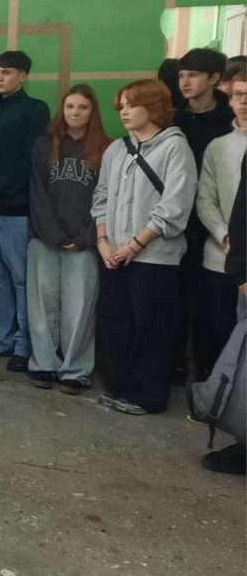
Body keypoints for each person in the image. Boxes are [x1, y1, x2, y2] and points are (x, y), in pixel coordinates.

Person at [92, 79, 197, 415]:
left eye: (131, 105)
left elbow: (175, 206)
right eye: (121, 106)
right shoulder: (116, 149)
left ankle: (147, 396)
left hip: (155, 257)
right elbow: (101, 197)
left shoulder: (175, 147)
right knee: (115, 321)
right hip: (114, 253)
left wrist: (135, 245)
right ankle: (120, 387)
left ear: (153, 107)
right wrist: (103, 241)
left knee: (151, 327)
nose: (124, 112)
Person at [26, 85, 111, 395]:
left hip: (85, 241)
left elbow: (107, 198)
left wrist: (86, 237)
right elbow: (38, 194)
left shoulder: (107, 149)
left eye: (82, 107)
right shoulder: (44, 145)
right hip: (44, 238)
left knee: (80, 306)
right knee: (42, 304)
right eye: (70, 106)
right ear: (61, 110)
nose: (75, 113)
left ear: (93, 112)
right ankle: (44, 363)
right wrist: (53, 234)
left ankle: (75, 369)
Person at [0, 51, 50, 373]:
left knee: (21, 279)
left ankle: (24, 345)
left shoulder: (35, 110)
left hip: (17, 209)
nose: (0, 78)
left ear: (23, 76)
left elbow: (29, 159)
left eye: (7, 72)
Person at [175, 47, 233, 382]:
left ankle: (211, 369)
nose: (185, 82)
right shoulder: (174, 119)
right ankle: (176, 362)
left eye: (193, 75)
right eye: (182, 75)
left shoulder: (229, 121)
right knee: (175, 296)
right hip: (178, 220)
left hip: (216, 224)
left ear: (214, 78)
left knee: (212, 302)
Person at [194, 72, 247, 377]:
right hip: (220, 256)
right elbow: (205, 200)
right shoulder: (218, 146)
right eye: (238, 94)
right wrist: (225, 236)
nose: (244, 102)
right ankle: (215, 394)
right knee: (217, 332)